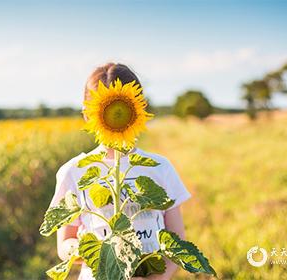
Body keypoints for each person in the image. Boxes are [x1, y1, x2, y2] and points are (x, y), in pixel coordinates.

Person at [49, 63, 191, 280]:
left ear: (139, 108)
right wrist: (96, 253)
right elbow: (64, 243)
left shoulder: (160, 168)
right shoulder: (75, 171)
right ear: (88, 115)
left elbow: (177, 240)